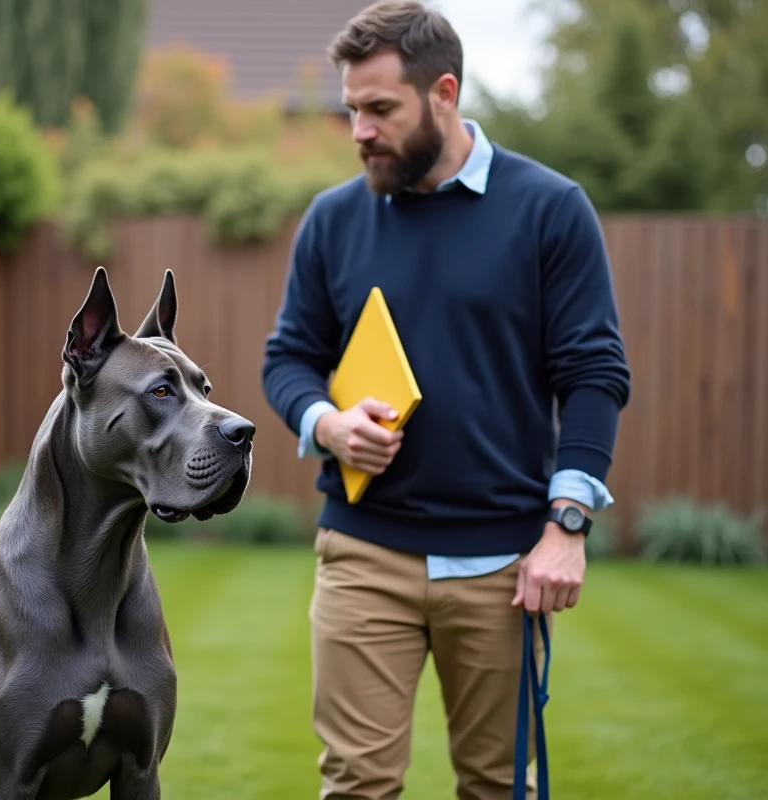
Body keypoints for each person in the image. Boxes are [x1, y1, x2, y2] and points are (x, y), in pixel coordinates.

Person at [260, 2, 632, 798]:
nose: (359, 129)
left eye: (379, 108)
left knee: (500, 787)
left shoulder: (550, 209)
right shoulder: (332, 219)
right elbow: (288, 357)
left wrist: (567, 525)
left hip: (505, 565)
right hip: (362, 555)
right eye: (351, 109)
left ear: (444, 93)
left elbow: (594, 372)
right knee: (356, 786)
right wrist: (326, 423)